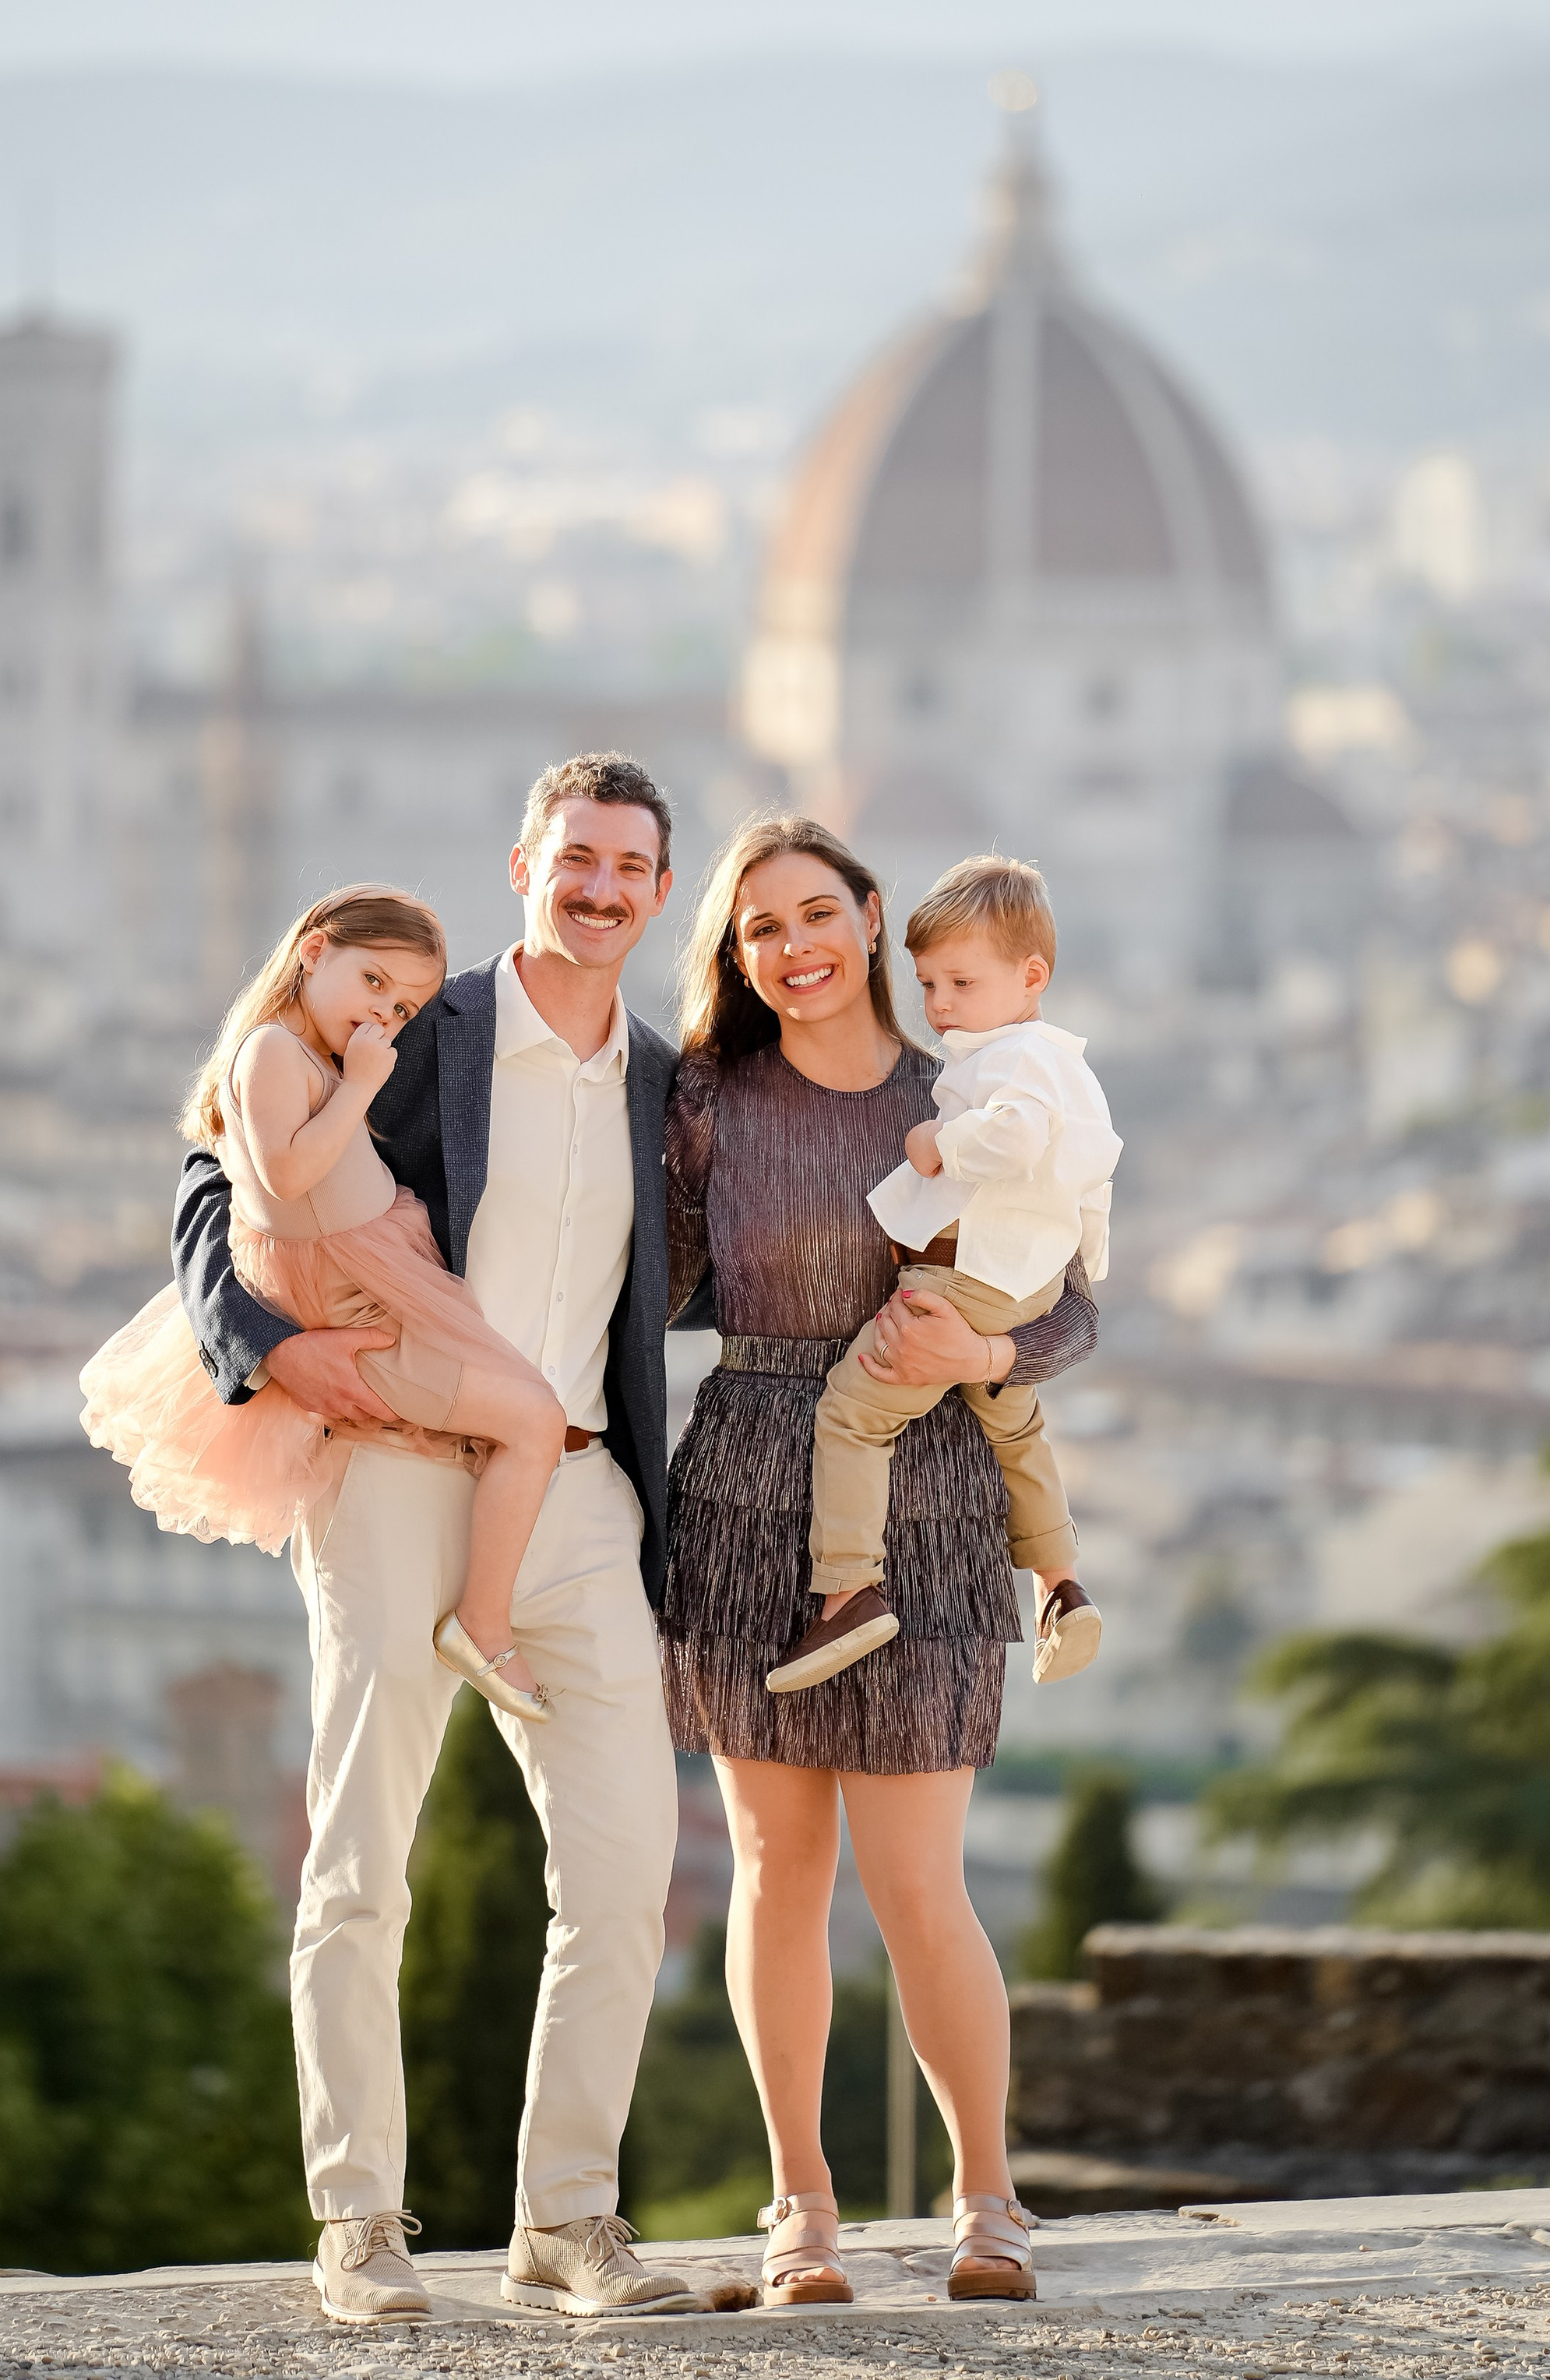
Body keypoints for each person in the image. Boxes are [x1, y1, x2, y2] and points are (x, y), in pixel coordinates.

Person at [167, 756, 707, 2327]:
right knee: (361, 1863)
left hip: (581, 1495)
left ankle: (569, 2223)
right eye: (576, 860)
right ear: (526, 865)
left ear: (658, 894)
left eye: (628, 868)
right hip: (399, 1472)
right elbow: (221, 1159)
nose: (600, 889)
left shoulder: (667, 1083)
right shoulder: (425, 1036)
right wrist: (255, 1344)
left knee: (622, 1872)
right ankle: (358, 2224)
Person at [657, 813, 1100, 2309]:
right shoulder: (710, 1096)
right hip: (743, 1488)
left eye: (813, 914)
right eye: (755, 929)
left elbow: (1073, 1301)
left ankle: (989, 2199)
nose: (789, 948)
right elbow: (643, 1285)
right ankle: (803, 2211)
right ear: (738, 955)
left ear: (868, 918)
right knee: (778, 1872)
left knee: (922, 1883)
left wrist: (997, 1340)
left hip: (939, 1492)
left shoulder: (967, 1087)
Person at [84, 884, 567, 1719]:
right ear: (313, 950)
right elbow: (286, 1175)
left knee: (518, 1420)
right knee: (533, 1421)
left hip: (375, 1291)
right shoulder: (274, 1051)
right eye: (373, 981)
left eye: (405, 1003)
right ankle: (482, 1626)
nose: (385, 1013)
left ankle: (482, 1609)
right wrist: (362, 1086)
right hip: (355, 1307)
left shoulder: (308, 1055)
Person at [766, 853, 1118, 1698]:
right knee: (1016, 1426)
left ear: (1031, 977)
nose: (941, 1006)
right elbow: (1088, 1179)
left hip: (964, 1278)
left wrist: (938, 1145)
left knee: (853, 1413)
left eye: (961, 982)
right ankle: (1059, 1585)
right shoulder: (1062, 1060)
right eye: (928, 985)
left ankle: (848, 1590)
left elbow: (1016, 1137)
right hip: (1020, 1278)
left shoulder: (1012, 1063)